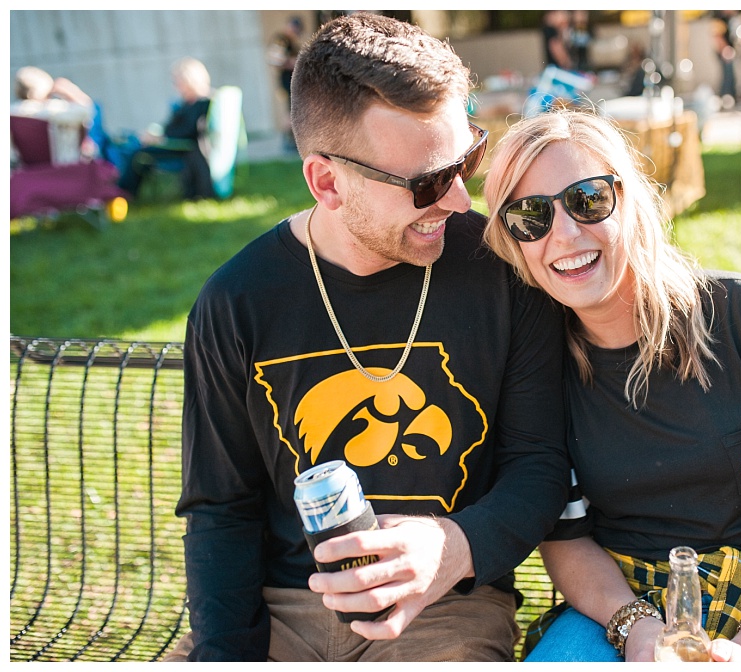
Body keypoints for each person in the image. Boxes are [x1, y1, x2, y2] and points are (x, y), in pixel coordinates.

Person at [164, 13, 569, 662]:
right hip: (282, 608)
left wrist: (455, 547)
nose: (461, 202)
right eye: (429, 183)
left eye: (466, 160)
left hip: (447, 603)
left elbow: (540, 465)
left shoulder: (501, 270)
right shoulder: (236, 303)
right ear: (327, 182)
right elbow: (222, 509)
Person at [482, 109, 741, 663]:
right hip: (619, 604)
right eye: (530, 217)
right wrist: (637, 632)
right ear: (514, 242)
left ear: (633, 198)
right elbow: (566, 540)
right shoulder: (537, 371)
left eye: (587, 200)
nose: (563, 233)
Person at [116, 57, 215, 200]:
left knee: (137, 154)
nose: (176, 86)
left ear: (189, 80)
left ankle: (123, 194)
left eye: (177, 81)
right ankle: (122, 191)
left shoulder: (202, 103)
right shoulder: (188, 103)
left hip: (181, 147)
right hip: (172, 142)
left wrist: (160, 139)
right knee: (130, 144)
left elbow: (189, 132)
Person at [11, 66, 96, 165]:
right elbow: (87, 111)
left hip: (25, 173)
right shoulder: (55, 110)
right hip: (63, 170)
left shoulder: (11, 113)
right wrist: (69, 90)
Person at [267, 15, 305, 151]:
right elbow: (275, 59)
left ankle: (291, 141)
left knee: (293, 110)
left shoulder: (289, 41)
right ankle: (288, 142)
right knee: (290, 112)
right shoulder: (281, 39)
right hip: (287, 80)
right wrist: (293, 62)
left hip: (292, 80)